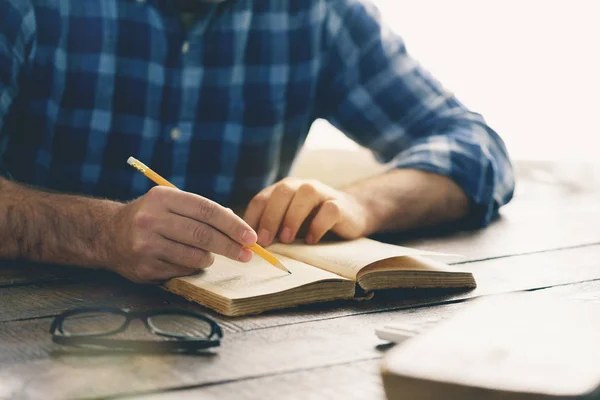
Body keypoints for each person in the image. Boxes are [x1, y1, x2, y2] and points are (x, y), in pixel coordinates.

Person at [0, 0, 514, 283]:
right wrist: (103, 233)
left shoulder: (319, 14)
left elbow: (475, 146)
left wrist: (360, 204)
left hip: (242, 342)